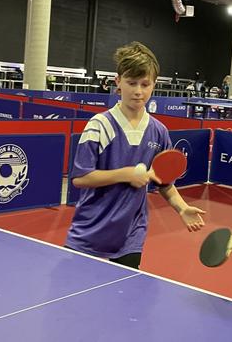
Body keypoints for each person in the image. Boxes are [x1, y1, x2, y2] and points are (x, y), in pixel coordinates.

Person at [65, 41, 206, 269]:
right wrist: (125, 174)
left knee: (124, 297)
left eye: (145, 84)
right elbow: (81, 178)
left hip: (131, 233)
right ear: (118, 82)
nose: (138, 91)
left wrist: (182, 208)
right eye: (131, 83)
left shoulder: (158, 131)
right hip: (90, 229)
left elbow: (165, 183)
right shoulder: (99, 125)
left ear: (154, 85)